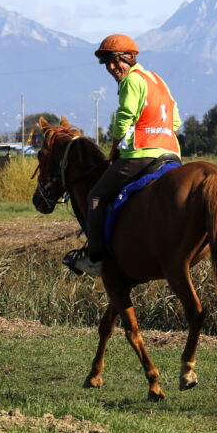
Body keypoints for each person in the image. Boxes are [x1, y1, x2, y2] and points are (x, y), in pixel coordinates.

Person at [73, 34, 182, 277]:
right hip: (171, 153)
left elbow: (124, 118)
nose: (112, 68)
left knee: (96, 197)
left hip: (142, 153)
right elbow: (175, 121)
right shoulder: (157, 79)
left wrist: (114, 148)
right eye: (107, 64)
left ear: (129, 58)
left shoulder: (131, 81)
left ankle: (96, 259)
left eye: (115, 61)